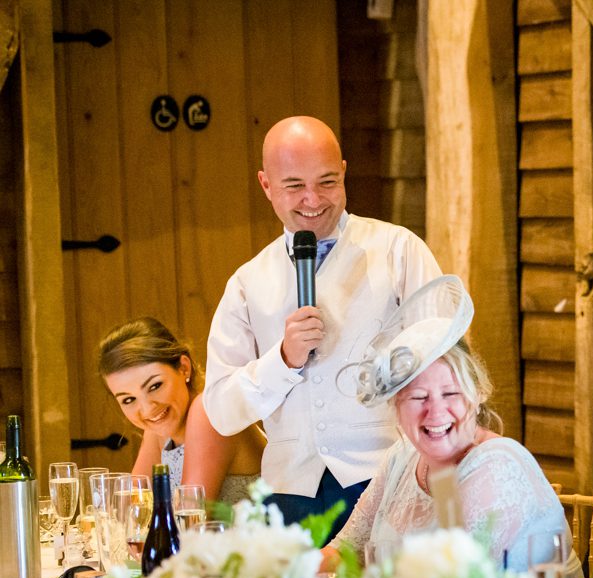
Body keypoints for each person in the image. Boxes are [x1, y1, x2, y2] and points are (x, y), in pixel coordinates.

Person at [204, 116, 441, 534]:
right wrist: (282, 359)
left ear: (345, 173)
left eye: (328, 182)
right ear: (266, 185)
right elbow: (222, 411)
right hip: (289, 495)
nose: (313, 199)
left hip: (389, 480)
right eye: (294, 185)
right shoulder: (246, 283)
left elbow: (447, 365)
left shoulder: (399, 251)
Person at [323, 276, 578, 578]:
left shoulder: (497, 465)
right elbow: (346, 549)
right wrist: (274, 571)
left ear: (478, 394)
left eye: (451, 394)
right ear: (395, 408)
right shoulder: (401, 457)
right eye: (418, 397)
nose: (436, 411)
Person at [98, 317, 264, 503]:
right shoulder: (160, 425)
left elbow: (190, 519)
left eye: (155, 386)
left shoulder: (207, 410)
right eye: (129, 399)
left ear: (184, 368)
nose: (146, 409)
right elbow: (131, 509)